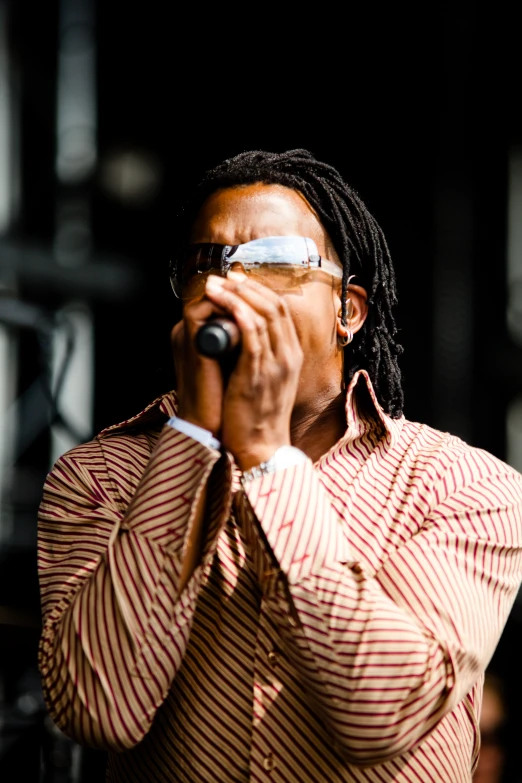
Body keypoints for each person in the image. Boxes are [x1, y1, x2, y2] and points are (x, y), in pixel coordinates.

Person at [37, 149, 522, 783]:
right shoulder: (100, 476)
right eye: (206, 265)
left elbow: (383, 714)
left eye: (276, 263)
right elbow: (98, 711)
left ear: (347, 312)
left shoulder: (462, 483)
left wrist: (268, 456)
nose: (232, 288)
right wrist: (189, 442)